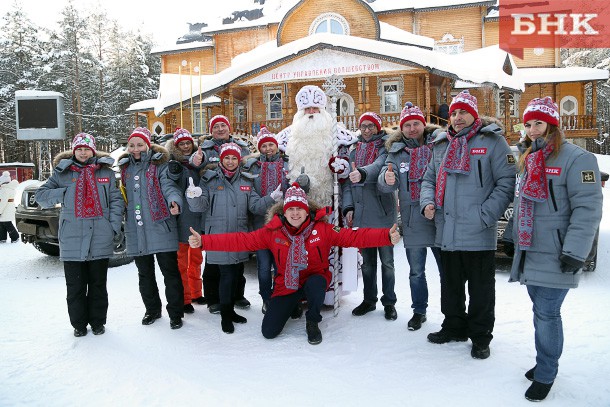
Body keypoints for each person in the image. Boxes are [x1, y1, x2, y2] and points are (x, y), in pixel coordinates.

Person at [188, 182, 402, 344]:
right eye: (291, 209)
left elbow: (353, 236)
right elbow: (240, 240)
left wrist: (385, 236)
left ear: (307, 210)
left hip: (314, 279)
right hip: (287, 284)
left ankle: (312, 320)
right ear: (284, 211)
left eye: (299, 208)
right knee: (269, 332)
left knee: (317, 283)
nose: (295, 213)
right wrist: (204, 241)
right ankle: (292, 304)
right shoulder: (272, 232)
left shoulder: (323, 229)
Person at [503, 97, 602, 401]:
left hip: (558, 252)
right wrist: (511, 236)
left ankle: (546, 372)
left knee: (547, 313)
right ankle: (543, 361)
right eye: (529, 123)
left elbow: (588, 208)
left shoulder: (576, 158)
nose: (532, 129)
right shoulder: (530, 157)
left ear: (553, 124)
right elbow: (522, 204)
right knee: (540, 310)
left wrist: (575, 251)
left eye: (539, 123)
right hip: (532, 249)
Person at [420, 90, 515, 359]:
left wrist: (485, 215)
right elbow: (429, 179)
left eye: (463, 112)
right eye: (454, 113)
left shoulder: (493, 142)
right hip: (447, 228)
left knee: (481, 290)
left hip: (478, 230)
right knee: (450, 285)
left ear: (474, 114)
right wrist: (428, 203)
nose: (458, 118)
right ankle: (454, 327)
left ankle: (480, 337)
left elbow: (506, 183)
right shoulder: (440, 144)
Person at [35, 133, 123, 337]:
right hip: (72, 237)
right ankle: (79, 325)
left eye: (87, 149)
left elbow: (116, 201)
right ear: (74, 151)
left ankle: (98, 322)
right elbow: (41, 197)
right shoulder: (62, 173)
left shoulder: (106, 173)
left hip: (100, 236)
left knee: (98, 285)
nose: (83, 153)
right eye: (79, 149)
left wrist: (113, 227)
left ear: (93, 150)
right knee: (75, 286)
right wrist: (64, 192)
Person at [186, 142, 280, 333]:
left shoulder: (246, 181)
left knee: (237, 273)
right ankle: (226, 316)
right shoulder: (210, 180)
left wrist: (271, 198)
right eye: (226, 158)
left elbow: (254, 206)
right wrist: (193, 196)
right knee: (227, 276)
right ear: (221, 159)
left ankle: (231, 311)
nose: (230, 162)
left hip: (239, 236)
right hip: (218, 236)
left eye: (234, 158)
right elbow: (200, 206)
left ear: (239, 160)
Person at [378, 102, 444, 330]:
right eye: (407, 125)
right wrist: (386, 181)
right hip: (412, 218)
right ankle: (419, 310)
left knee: (447, 272)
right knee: (416, 271)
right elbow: (387, 180)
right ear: (401, 128)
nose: (412, 128)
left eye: (416, 123)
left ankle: (452, 313)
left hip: (438, 218)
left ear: (423, 124)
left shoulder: (439, 145)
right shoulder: (395, 152)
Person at [118, 127, 185, 330]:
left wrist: (174, 201)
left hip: (161, 224)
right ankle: (152, 309)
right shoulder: (125, 169)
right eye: (132, 145)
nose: (136, 149)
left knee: (170, 273)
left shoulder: (159, 164)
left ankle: (175, 313)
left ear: (148, 145)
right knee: (144, 273)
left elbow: (169, 186)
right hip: (136, 228)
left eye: (140, 145)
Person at [190, 115, 252, 313]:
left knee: (238, 258)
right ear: (211, 130)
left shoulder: (241, 146)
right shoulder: (204, 147)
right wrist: (195, 160)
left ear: (229, 127)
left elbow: (250, 165)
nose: (219, 129)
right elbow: (194, 163)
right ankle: (213, 298)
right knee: (213, 259)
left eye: (223, 125)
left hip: (237, 202)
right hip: (212, 203)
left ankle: (238, 295)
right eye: (215, 126)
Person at [342, 111, 398, 321]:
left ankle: (389, 302)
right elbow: (347, 182)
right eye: (363, 126)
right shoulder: (353, 151)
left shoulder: (387, 146)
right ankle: (369, 300)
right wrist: (348, 208)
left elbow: (379, 166)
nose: (366, 130)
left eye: (371, 126)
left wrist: (363, 173)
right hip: (362, 215)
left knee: (387, 263)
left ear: (378, 127)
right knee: (367, 263)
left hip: (383, 214)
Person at [242, 126, 289, 313]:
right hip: (261, 224)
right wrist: (271, 198)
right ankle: (266, 297)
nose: (268, 149)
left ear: (276, 146)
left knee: (281, 264)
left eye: (271, 145)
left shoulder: (287, 164)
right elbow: (252, 204)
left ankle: (280, 295)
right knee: (263, 266)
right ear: (259, 149)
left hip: (283, 224)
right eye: (264, 146)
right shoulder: (253, 168)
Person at [166, 128, 204, 313]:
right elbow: (171, 182)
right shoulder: (173, 164)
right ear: (176, 146)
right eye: (182, 144)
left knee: (196, 259)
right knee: (182, 261)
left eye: (188, 142)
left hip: (198, 218)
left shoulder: (198, 162)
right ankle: (185, 298)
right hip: (181, 219)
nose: (186, 146)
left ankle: (197, 292)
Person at [0, 171, 20, 243]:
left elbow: (2, 202)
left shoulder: (4, 190)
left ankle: (15, 237)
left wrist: (0, 211)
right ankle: (2, 238)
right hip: (8, 208)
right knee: (3, 223)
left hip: (5, 209)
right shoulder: (9, 188)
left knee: (7, 224)